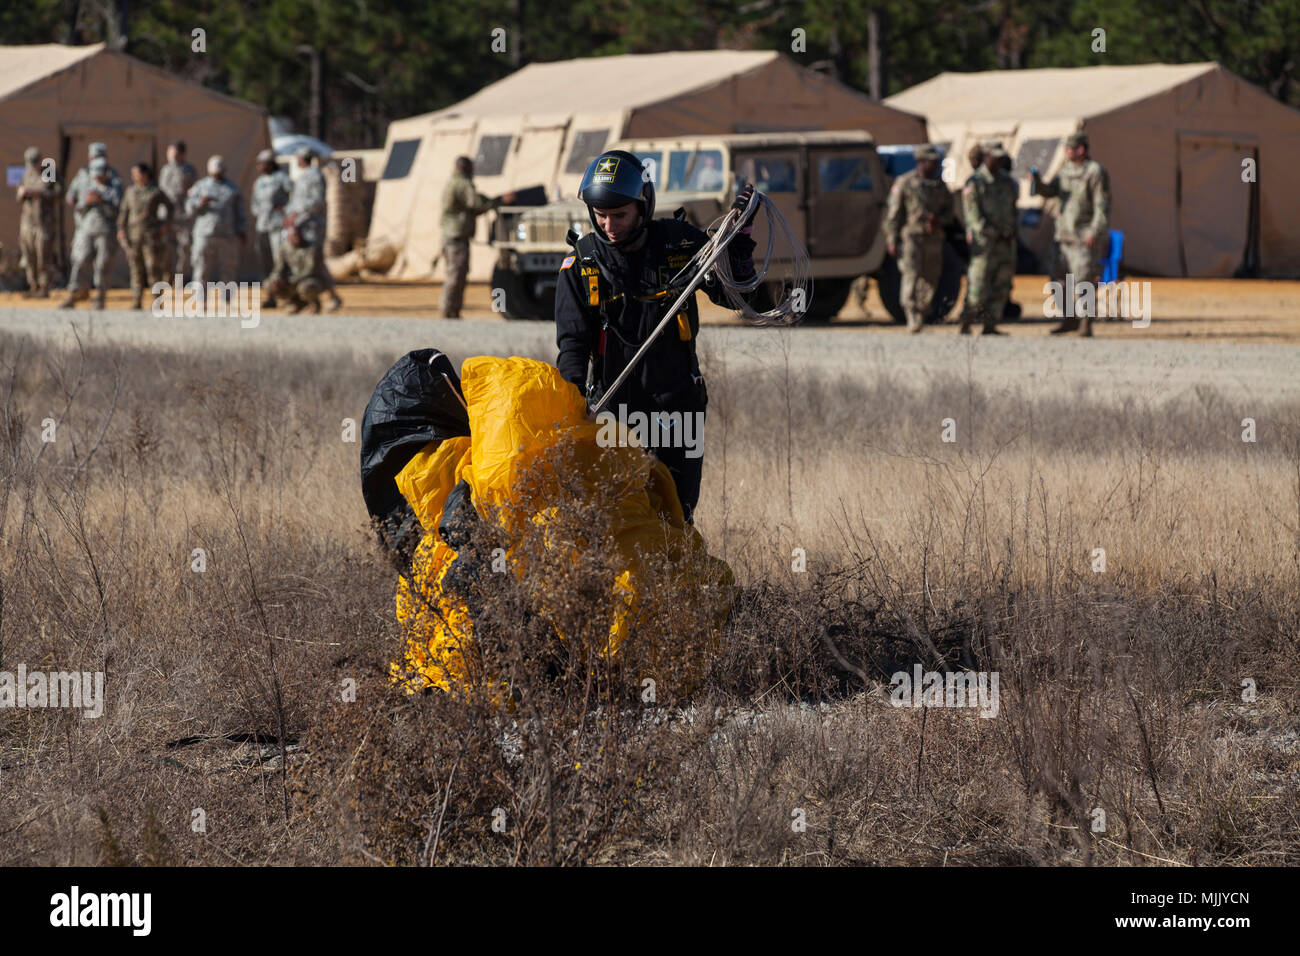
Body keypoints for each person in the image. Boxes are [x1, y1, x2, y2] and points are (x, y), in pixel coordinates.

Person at [555, 149, 758, 524]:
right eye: (600, 216)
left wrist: (738, 249)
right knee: (616, 517)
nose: (609, 226)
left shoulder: (679, 245)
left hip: (678, 407)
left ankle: (674, 581)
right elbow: (573, 347)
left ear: (642, 206)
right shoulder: (579, 266)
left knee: (676, 516)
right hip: (612, 413)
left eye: (620, 215)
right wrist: (571, 407)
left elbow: (738, 296)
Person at [1031, 131, 1111, 336]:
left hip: (1083, 237)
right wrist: (1038, 183)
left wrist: (1095, 231)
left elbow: (1102, 206)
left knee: (1084, 281)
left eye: (1070, 148)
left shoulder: (1095, 172)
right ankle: (1069, 319)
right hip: (1063, 237)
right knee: (1058, 281)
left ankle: (1086, 324)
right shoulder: (1065, 171)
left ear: (1081, 150)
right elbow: (1051, 192)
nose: (1066, 152)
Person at [884, 143, 955, 333]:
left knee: (931, 278)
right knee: (911, 275)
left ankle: (922, 311)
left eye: (936, 162)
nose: (935, 165)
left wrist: (938, 220)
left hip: (934, 239)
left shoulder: (940, 186)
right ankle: (911, 314)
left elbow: (950, 214)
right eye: (931, 162)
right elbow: (893, 215)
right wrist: (891, 239)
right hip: (912, 239)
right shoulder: (905, 183)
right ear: (921, 162)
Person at [438, 156, 514, 318]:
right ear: (466, 168)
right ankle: (448, 310)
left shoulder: (454, 182)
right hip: (456, 236)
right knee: (456, 274)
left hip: (453, 236)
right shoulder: (463, 183)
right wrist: (498, 201)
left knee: (457, 273)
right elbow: (475, 203)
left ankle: (452, 310)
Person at [959, 147, 1018, 335]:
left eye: (1001, 158)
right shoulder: (975, 182)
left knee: (1001, 285)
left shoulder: (1007, 182)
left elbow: (1013, 211)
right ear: (986, 157)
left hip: (1005, 244)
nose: (999, 162)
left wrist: (1009, 232)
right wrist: (994, 232)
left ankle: (990, 325)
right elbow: (973, 218)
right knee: (977, 287)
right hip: (984, 245)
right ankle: (966, 323)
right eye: (995, 157)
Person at [283, 147, 342, 311]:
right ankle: (309, 301)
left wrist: (297, 215)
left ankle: (331, 296)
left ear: (303, 158)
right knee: (302, 263)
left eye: (298, 158)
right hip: (301, 227)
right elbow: (296, 203)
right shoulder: (302, 177)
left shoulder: (314, 176)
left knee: (315, 262)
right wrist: (289, 217)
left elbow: (316, 202)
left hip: (313, 227)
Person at [59, 158, 121, 310]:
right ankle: (75, 292)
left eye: (100, 174)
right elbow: (75, 205)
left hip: (106, 230)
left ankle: (100, 295)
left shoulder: (114, 187)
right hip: (86, 229)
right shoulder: (85, 183)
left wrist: (103, 202)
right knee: (80, 260)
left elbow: (119, 210)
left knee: (102, 264)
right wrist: (86, 202)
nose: (97, 177)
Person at [185, 155, 247, 306]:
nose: (217, 175)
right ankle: (201, 301)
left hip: (227, 236)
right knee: (201, 269)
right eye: (214, 172)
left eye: (219, 172)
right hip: (204, 235)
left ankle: (227, 301)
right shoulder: (200, 187)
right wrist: (201, 202)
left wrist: (242, 231)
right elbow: (189, 209)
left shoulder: (233, 188)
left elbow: (241, 212)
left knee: (228, 269)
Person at [117, 162, 174, 309]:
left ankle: (158, 301)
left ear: (145, 174)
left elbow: (170, 207)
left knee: (153, 269)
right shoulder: (130, 192)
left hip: (151, 237)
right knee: (136, 269)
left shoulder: (155, 192)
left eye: (136, 173)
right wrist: (121, 229)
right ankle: (137, 300)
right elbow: (124, 212)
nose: (134, 177)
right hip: (134, 237)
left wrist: (165, 225)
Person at [15, 146, 61, 297]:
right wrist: (22, 194)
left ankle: (44, 287)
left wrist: (37, 193)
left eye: (35, 163)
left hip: (44, 221)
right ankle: (33, 285)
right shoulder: (27, 173)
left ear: (41, 160)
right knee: (28, 253)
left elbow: (58, 193)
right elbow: (19, 194)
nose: (33, 166)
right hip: (28, 220)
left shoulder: (49, 170)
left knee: (44, 254)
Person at [250, 148, 291, 306]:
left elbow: (294, 197)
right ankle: (271, 296)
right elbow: (254, 203)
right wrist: (258, 212)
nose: (260, 166)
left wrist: (286, 211)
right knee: (264, 262)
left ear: (270, 164)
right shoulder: (259, 182)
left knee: (279, 261)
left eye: (262, 163)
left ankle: (287, 296)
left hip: (278, 226)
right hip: (262, 227)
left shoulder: (282, 179)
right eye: (259, 163)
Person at [268, 221, 326, 313]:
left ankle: (313, 303)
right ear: (288, 237)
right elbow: (278, 268)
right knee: (269, 284)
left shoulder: (311, 248)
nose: (296, 237)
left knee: (306, 287)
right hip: (291, 281)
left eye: (298, 235)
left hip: (310, 280)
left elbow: (310, 270)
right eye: (294, 235)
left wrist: (290, 280)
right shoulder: (284, 249)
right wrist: (277, 279)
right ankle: (295, 303)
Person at [159, 141, 197, 281]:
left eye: (173, 152)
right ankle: (167, 277)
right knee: (166, 248)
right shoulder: (165, 170)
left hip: (183, 215)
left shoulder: (189, 170)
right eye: (169, 152)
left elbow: (192, 192)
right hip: (167, 216)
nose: (170, 156)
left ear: (181, 153)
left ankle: (181, 278)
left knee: (185, 248)